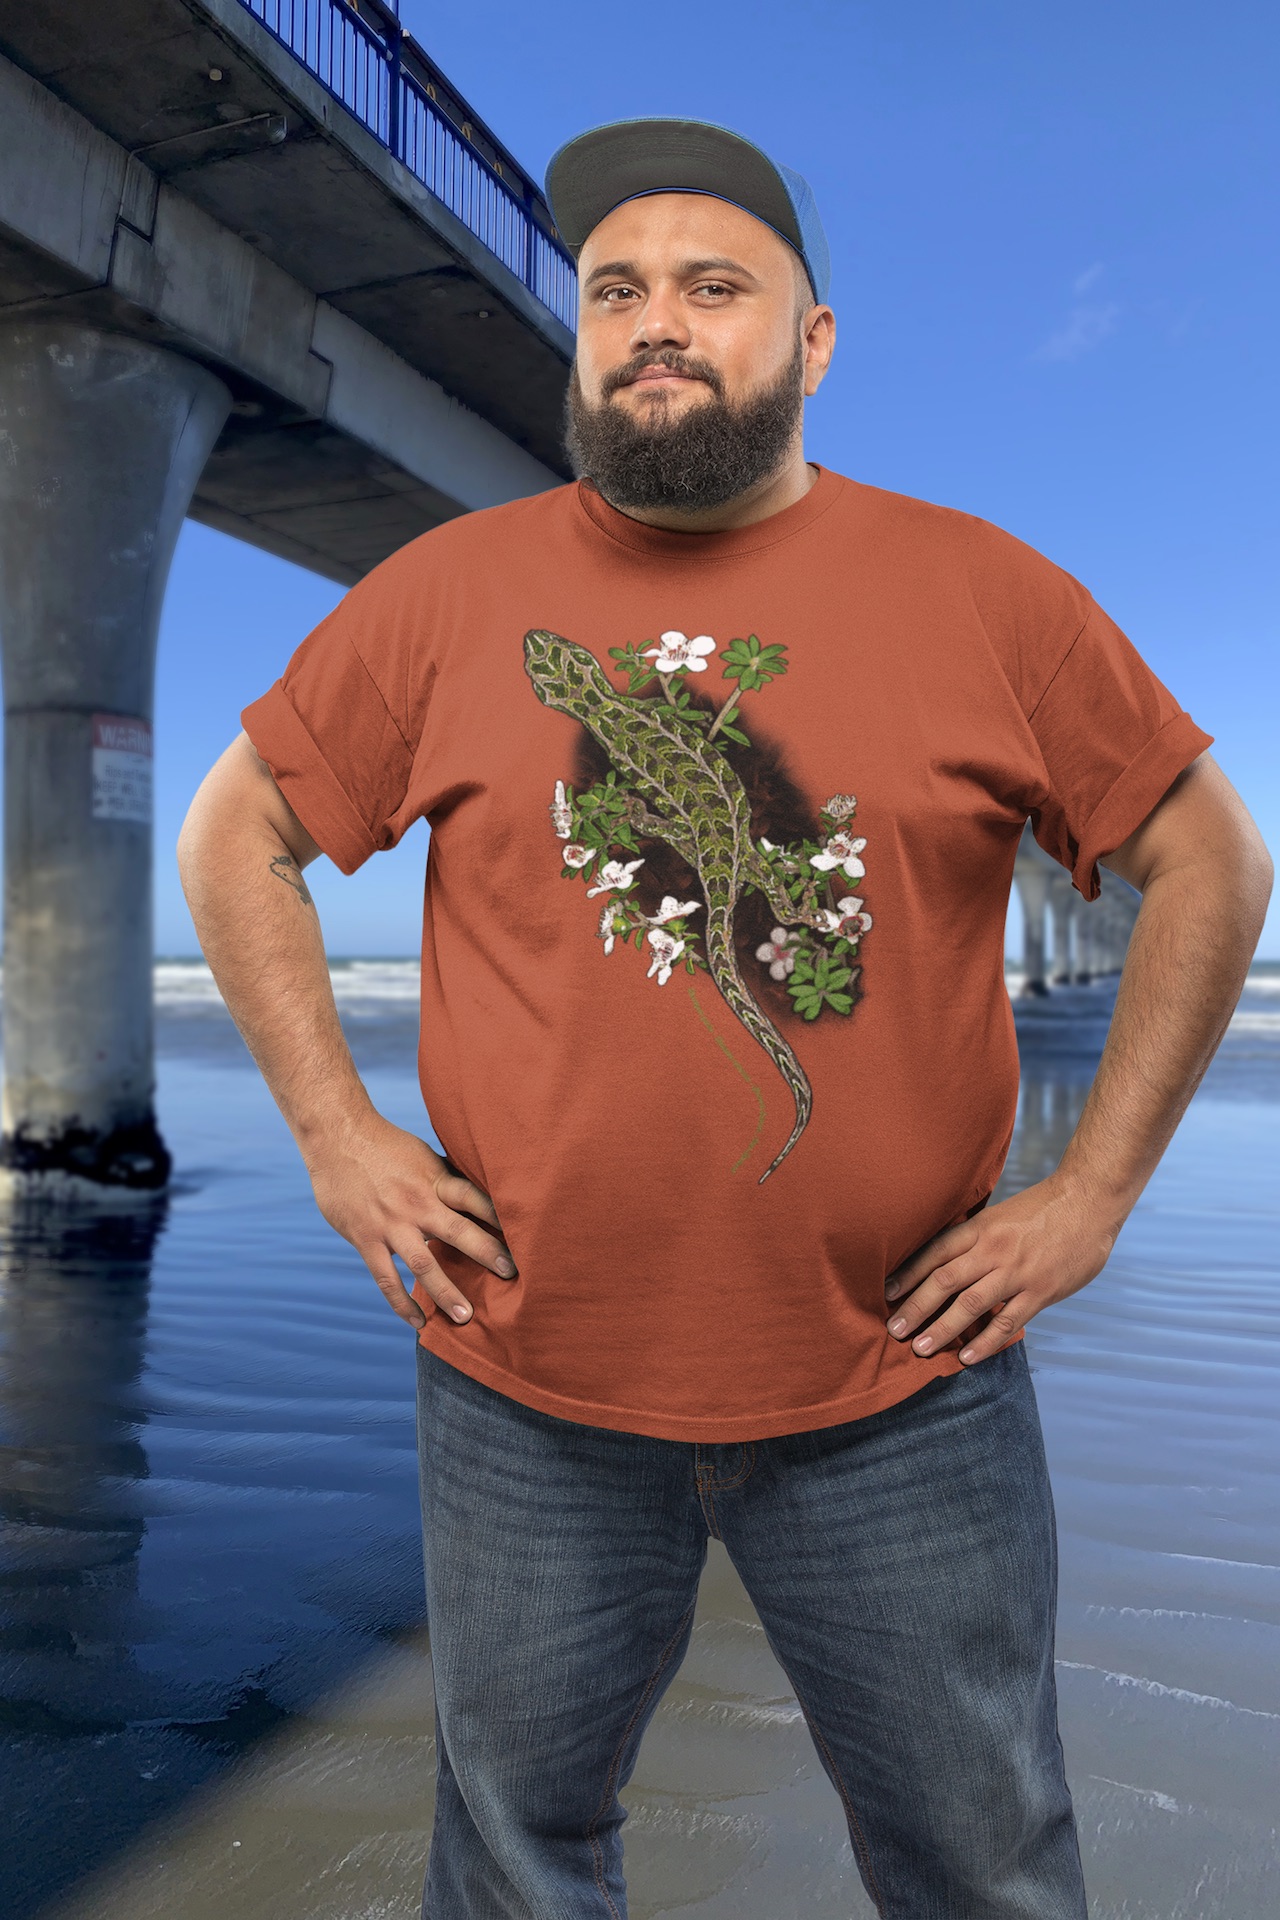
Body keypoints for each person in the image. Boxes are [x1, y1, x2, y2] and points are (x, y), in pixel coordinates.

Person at [178, 116, 1272, 1919]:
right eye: (616, 291)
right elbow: (239, 836)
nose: (656, 322)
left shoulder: (983, 590)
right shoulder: (451, 597)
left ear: (814, 343)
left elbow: (1212, 866)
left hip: (901, 1389)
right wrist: (336, 1139)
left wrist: (1090, 1204)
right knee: (521, 1858)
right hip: (524, 1382)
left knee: (986, 1866)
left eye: (712, 286)